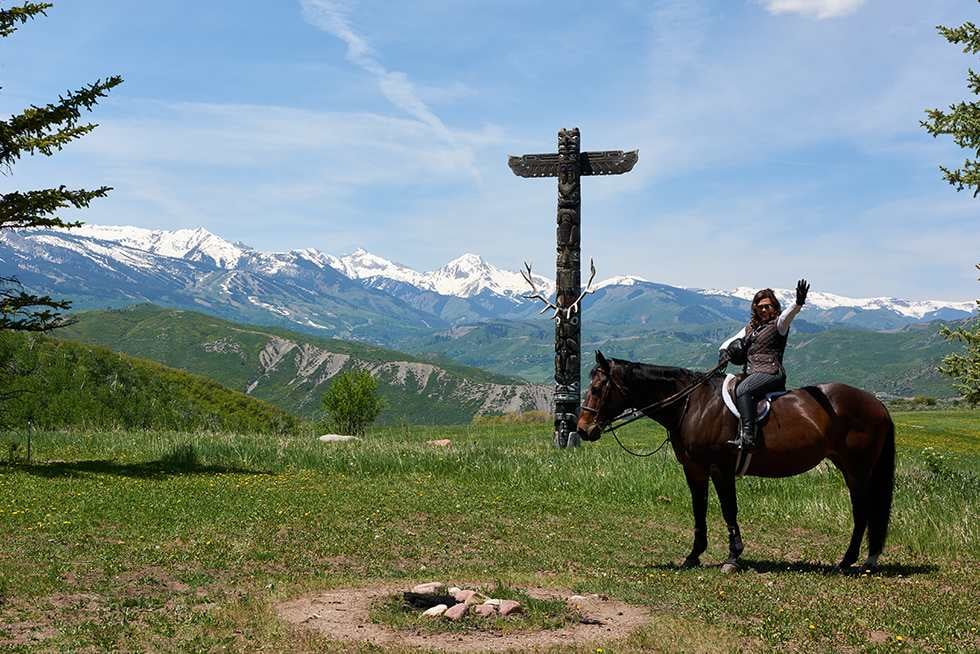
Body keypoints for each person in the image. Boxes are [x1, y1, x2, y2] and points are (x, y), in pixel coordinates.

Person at [717, 279, 810, 450]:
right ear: (755, 308)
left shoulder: (779, 325)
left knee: (743, 389)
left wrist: (798, 303)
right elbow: (731, 340)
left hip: (771, 372)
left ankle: (748, 437)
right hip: (752, 373)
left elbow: (788, 315)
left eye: (768, 306)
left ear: (774, 307)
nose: (764, 309)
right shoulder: (751, 327)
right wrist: (724, 352)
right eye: (760, 307)